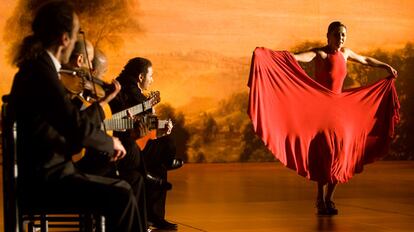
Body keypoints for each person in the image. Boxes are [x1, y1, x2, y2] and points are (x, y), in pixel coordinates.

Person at [8, 1, 144, 231]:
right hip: (47, 181)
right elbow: (75, 126)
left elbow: (68, 121)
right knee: (122, 193)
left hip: (49, 174)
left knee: (122, 188)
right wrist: (109, 142)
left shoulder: (38, 69)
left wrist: (102, 106)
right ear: (64, 39)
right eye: (74, 35)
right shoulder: (41, 73)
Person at [248, 21, 399, 216]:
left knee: (342, 152)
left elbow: (366, 60)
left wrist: (387, 67)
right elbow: (296, 58)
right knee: (325, 153)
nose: (340, 38)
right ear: (328, 36)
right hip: (321, 110)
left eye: (343, 35)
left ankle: (330, 198)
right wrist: (268, 56)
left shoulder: (345, 53)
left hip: (340, 110)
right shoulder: (320, 53)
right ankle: (320, 197)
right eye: (337, 34)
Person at [110, 57, 182, 230]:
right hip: (124, 147)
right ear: (141, 77)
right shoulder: (131, 90)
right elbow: (131, 122)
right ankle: (153, 216)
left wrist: (157, 126)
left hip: (128, 143)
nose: (152, 80)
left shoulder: (123, 86)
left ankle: (152, 216)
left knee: (160, 158)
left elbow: (137, 123)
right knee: (164, 150)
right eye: (151, 76)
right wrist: (155, 119)